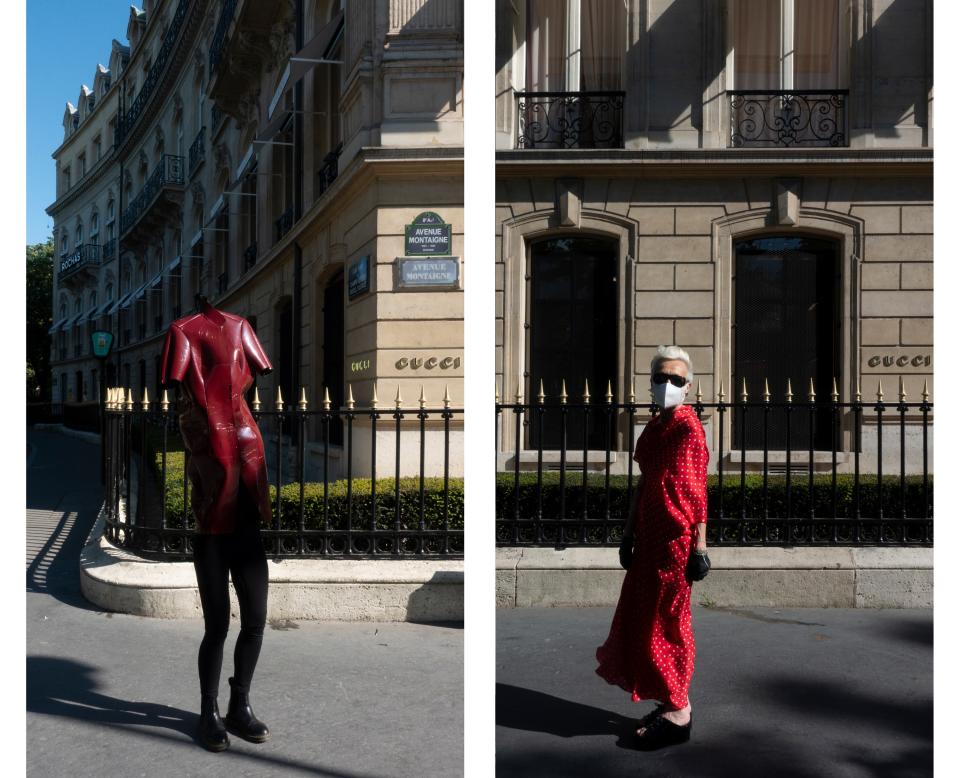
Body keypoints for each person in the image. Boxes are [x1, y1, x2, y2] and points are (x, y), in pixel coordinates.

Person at [161, 296, 275, 752]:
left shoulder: (240, 325)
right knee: (217, 626)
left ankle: (238, 704)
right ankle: (208, 711)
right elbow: (181, 382)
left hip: (245, 516)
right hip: (211, 522)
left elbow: (256, 366)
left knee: (256, 621)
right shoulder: (182, 330)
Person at [595, 345, 711, 750]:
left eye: (676, 379)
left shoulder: (687, 427)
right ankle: (669, 702)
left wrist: (699, 547)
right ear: (651, 382)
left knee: (670, 622)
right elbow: (644, 484)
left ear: (689, 386)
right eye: (661, 378)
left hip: (676, 541)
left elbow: (697, 492)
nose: (668, 385)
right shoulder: (654, 427)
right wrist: (628, 534)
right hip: (648, 538)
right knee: (645, 620)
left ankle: (679, 711)